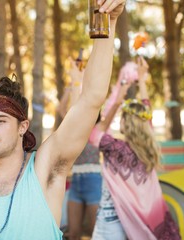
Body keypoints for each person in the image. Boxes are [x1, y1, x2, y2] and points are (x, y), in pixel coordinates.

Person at [0, 1, 126, 239]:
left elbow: (91, 98)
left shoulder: (45, 170)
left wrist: (110, 22)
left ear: (23, 127)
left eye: (0, 120)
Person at [90, 56, 181, 239]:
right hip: (147, 220)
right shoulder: (149, 146)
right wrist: (141, 80)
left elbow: (95, 133)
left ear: (126, 123)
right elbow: (146, 110)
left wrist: (118, 99)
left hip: (113, 219)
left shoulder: (115, 148)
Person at [58, 61, 102, 240]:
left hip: (94, 181)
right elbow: (62, 109)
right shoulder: (75, 127)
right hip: (76, 180)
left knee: (94, 231)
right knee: (73, 232)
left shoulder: (100, 129)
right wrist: (72, 84)